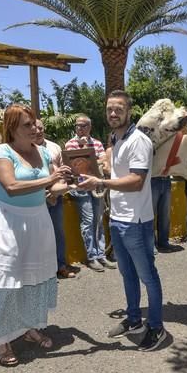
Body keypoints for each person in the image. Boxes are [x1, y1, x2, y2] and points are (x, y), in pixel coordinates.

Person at [0, 104, 72, 366]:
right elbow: (12, 186)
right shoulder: (1, 152)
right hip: (7, 221)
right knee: (4, 281)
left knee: (32, 278)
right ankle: (2, 339)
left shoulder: (42, 151)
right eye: (27, 125)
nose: (34, 128)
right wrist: (50, 181)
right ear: (12, 129)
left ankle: (29, 327)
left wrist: (68, 184)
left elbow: (56, 183)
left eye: (34, 123)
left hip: (36, 220)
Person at [78, 90, 167, 351]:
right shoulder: (117, 140)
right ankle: (134, 319)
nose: (113, 113)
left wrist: (102, 181)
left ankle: (156, 327)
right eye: (109, 109)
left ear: (129, 112)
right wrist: (104, 169)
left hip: (135, 221)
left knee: (147, 275)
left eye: (118, 109)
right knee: (127, 273)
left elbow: (137, 181)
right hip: (117, 217)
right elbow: (120, 173)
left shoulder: (138, 140)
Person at [64, 115, 113, 272]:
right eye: (78, 125)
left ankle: (101, 254)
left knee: (98, 220)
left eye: (83, 125)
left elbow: (103, 161)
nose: (80, 128)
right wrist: (84, 151)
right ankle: (92, 257)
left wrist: (93, 159)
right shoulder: (70, 144)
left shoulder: (97, 143)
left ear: (89, 127)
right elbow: (73, 165)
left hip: (96, 186)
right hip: (80, 189)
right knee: (88, 220)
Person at [34, 120, 79, 279]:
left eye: (41, 128)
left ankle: (60, 265)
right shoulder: (24, 149)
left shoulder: (54, 147)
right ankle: (42, 270)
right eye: (35, 128)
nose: (38, 131)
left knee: (58, 233)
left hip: (56, 197)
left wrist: (55, 193)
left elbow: (63, 172)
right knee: (38, 235)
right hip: (35, 198)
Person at [151, 174, 172, 252]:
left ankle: (163, 242)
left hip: (167, 179)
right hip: (152, 179)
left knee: (165, 215)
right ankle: (151, 243)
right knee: (151, 215)